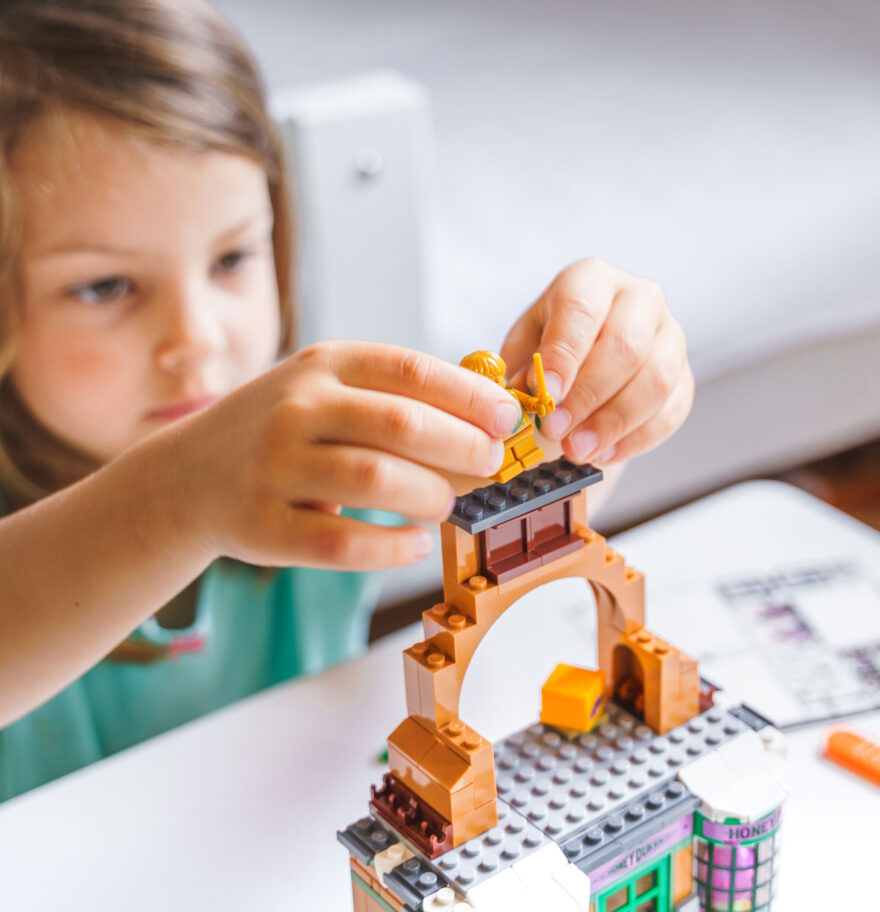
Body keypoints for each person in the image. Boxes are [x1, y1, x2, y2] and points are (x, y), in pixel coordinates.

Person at [0, 0, 694, 803]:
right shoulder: (249, 455)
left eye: (231, 258)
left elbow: (526, 503)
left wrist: (602, 401)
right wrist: (180, 496)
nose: (198, 339)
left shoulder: (310, 447)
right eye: (104, 286)